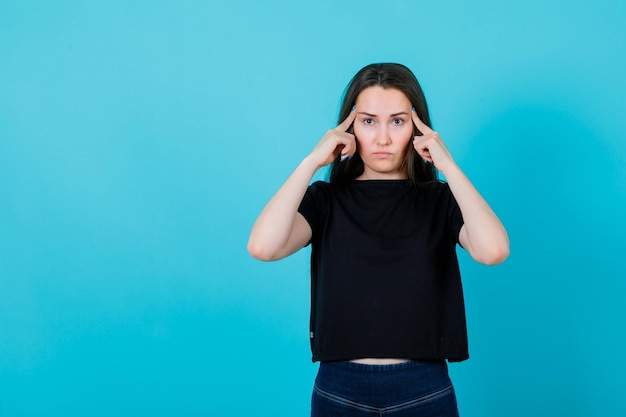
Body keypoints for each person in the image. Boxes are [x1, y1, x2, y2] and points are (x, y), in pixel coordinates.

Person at [247, 63, 509, 417]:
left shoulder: (441, 200)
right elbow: (263, 246)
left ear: (418, 127)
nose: (382, 139)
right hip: (340, 387)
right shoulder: (325, 200)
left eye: (397, 121)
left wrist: (448, 166)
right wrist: (311, 161)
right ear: (350, 125)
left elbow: (493, 250)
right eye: (369, 121)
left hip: (424, 387)